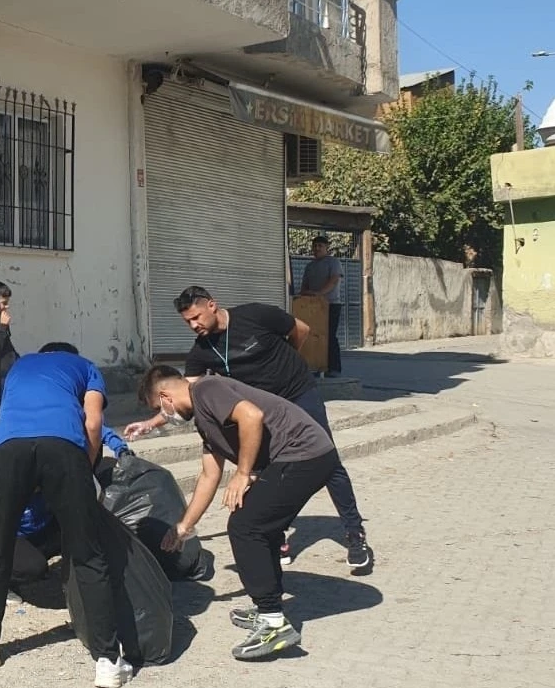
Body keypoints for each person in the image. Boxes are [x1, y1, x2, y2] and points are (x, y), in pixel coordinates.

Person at [123, 287, 372, 572]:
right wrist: (152, 423)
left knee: (326, 459)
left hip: (297, 392)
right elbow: (180, 395)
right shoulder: (202, 351)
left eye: (196, 317)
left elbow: (301, 330)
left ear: (212, 305)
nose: (194, 325)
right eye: (187, 321)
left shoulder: (255, 315)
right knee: (267, 468)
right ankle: (276, 536)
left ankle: (354, 533)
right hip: (258, 408)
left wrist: (284, 363)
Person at [0, 343, 132, 688]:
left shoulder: (18, 369)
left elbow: (4, 420)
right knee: (87, 553)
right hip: (63, 446)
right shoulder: (85, 366)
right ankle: (108, 661)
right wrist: (86, 467)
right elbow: (93, 422)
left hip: (11, 448)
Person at [145, 366, 338, 660]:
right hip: (302, 457)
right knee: (262, 527)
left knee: (245, 526)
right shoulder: (204, 418)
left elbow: (251, 416)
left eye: (158, 408)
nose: (164, 416)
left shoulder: (206, 390)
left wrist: (243, 473)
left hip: (304, 453)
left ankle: (273, 622)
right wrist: (184, 527)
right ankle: (269, 608)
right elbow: (209, 475)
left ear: (165, 397)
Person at [0, 425, 134, 605]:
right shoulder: (13, 488)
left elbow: (93, 426)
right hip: (14, 540)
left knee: (83, 526)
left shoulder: (54, 477)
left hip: (43, 531)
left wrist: (121, 449)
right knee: (33, 567)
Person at [300, 235, 345, 377]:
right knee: (313, 336)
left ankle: (334, 368)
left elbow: (334, 280)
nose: (317, 248)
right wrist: (303, 296)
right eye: (315, 246)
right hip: (312, 307)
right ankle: (316, 366)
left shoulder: (333, 262)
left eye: (320, 246)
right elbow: (304, 286)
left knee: (329, 336)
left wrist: (319, 294)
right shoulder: (310, 266)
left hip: (330, 305)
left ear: (327, 248)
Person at [0, 280, 19, 402]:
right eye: (4, 303)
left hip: (11, 369)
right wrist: (2, 326)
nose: (6, 307)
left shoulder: (0, 318)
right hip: (2, 374)